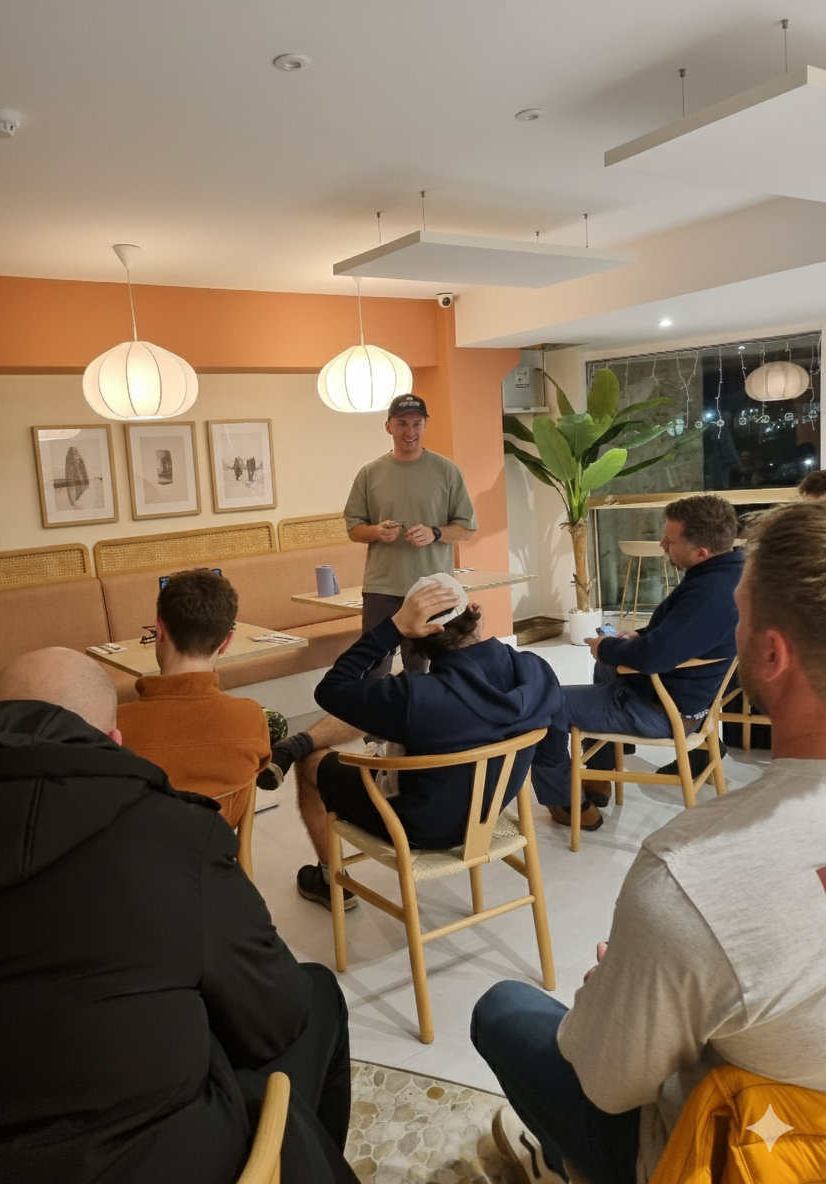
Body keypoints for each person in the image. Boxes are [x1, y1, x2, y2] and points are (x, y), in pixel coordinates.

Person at [471, 499, 826, 1184]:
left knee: (507, 1009)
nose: (734, 626)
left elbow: (609, 1082)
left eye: (743, 617)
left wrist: (615, 986)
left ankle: (569, 1163)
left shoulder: (692, 872)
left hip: (744, 1149)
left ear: (773, 652)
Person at [0, 646, 357, 1184]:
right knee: (316, 993)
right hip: (164, 1158)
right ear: (117, 740)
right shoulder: (175, 832)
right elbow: (275, 1018)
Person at [289, 574, 562, 909]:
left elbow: (330, 689)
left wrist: (391, 628)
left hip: (418, 827)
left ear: (415, 639)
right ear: (474, 612)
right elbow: (552, 745)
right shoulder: (536, 670)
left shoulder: (416, 697)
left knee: (311, 763)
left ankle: (330, 879)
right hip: (489, 815)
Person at [531, 494, 743, 832]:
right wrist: (639, 636)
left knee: (545, 704)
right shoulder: (729, 573)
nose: (662, 544)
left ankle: (566, 802)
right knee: (606, 668)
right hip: (690, 696)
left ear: (701, 552)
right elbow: (681, 630)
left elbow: (652, 657)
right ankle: (601, 774)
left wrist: (608, 648)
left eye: (670, 541)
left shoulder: (710, 595)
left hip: (662, 709)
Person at [117, 567, 271, 827]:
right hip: (213, 855)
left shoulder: (115, 726)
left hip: (136, 859)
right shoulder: (250, 717)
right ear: (226, 642)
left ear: (159, 630)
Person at [344, 392, 477, 676]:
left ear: (426, 424)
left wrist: (435, 532)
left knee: (422, 667)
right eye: (402, 424)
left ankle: (420, 719)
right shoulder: (370, 473)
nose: (410, 432)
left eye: (416, 423)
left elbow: (466, 527)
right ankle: (375, 720)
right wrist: (376, 531)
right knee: (374, 667)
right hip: (381, 588)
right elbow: (354, 529)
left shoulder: (447, 471)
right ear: (388, 426)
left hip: (432, 588)